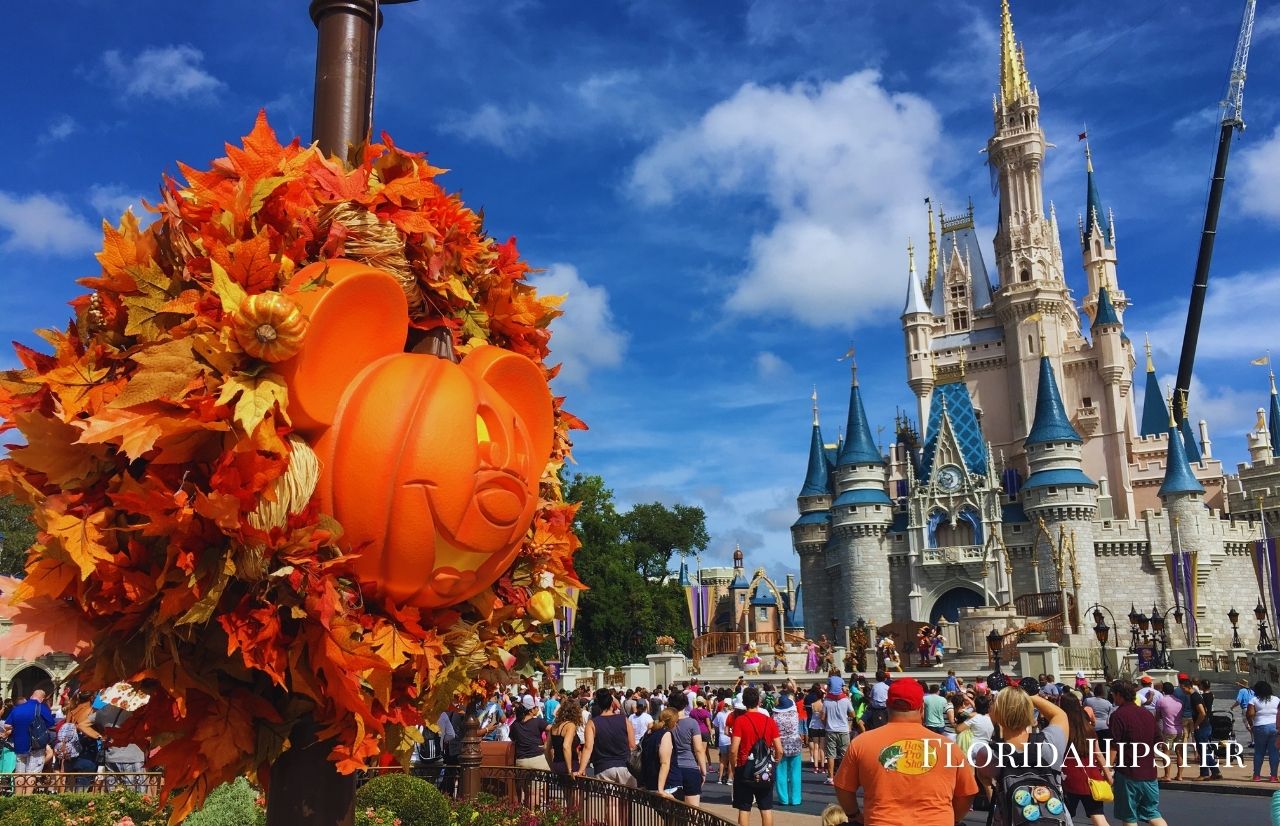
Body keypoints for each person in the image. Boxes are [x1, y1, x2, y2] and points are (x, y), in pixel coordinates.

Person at [835, 677, 976, 826]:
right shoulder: (948, 747)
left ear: (888, 706)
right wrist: (952, 819)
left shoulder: (862, 743)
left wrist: (855, 815)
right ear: (922, 708)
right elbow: (967, 793)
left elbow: (843, 786)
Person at [971, 686, 1069, 826]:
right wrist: (1029, 697)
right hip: (1054, 817)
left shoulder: (988, 754)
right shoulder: (1050, 742)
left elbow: (984, 777)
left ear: (997, 713)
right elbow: (1059, 715)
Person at [1108, 681, 1168, 826]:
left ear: (1119, 695)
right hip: (1149, 772)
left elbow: (1114, 745)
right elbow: (1158, 741)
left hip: (1128, 771)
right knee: (1152, 813)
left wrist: (1108, 767)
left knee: (1129, 816)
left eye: (1113, 695)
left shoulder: (1118, 715)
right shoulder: (1147, 714)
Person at [729, 686, 782, 826]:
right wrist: (776, 761)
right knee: (766, 808)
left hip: (744, 766)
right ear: (759, 701)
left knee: (744, 807)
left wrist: (733, 766)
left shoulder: (740, 721)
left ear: (744, 703)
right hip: (765, 768)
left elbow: (734, 749)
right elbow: (779, 749)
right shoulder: (769, 721)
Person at [1060, 691, 1112, 826]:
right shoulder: (1088, 728)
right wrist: (1108, 774)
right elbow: (1098, 754)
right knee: (1098, 815)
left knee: (1064, 816)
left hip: (1068, 776)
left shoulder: (1062, 728)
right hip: (1091, 776)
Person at [579, 688, 636, 787]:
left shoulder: (592, 723)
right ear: (612, 703)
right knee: (628, 801)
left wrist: (581, 769)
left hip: (603, 767)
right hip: (625, 766)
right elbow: (632, 745)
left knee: (610, 801)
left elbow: (588, 748)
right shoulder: (624, 720)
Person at [2, 689, 55, 794]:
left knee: (19, 773)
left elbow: (7, 725)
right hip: (36, 746)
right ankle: (27, 801)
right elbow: (51, 724)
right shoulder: (41, 708)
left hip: (19, 745)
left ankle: (18, 798)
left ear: (31, 696)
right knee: (31, 773)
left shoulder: (17, 709)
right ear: (42, 698)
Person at [666, 690, 708, 805]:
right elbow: (698, 749)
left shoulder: (666, 723)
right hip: (690, 767)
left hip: (671, 769)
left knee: (672, 811)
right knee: (692, 810)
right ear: (685, 704)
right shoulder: (692, 723)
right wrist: (703, 771)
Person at [772, 683, 803, 806]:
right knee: (795, 773)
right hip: (795, 744)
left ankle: (783, 799)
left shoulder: (775, 717)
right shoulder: (795, 714)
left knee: (781, 773)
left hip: (781, 746)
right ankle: (796, 799)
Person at [821, 675, 854, 785]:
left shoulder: (826, 701)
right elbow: (852, 714)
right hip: (844, 730)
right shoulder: (845, 699)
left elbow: (822, 717)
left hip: (830, 730)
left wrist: (826, 725)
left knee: (831, 755)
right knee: (845, 755)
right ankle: (846, 777)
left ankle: (831, 778)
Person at [638, 708, 679, 794]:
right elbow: (664, 763)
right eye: (676, 721)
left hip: (650, 782)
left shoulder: (649, 733)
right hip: (668, 785)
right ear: (673, 722)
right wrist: (660, 789)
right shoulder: (666, 734)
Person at [1247, 680, 1280, 782]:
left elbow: (1250, 714)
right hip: (1274, 727)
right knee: (1274, 752)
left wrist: (1251, 725)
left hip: (1260, 726)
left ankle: (1257, 776)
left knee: (1259, 752)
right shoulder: (1277, 699)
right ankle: (1273, 776)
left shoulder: (1254, 700)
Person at [1191, 678, 1222, 781]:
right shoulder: (1211, 695)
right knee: (1204, 749)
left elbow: (1202, 711)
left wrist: (1196, 724)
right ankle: (1212, 771)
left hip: (1202, 722)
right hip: (1208, 720)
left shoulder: (1201, 697)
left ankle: (1213, 770)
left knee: (1203, 750)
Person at [510, 695, 550, 770]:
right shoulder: (538, 722)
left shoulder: (515, 724)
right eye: (536, 707)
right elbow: (552, 729)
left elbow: (512, 739)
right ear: (531, 710)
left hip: (521, 761)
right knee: (544, 781)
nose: (538, 709)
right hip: (537, 760)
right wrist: (546, 743)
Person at [1154, 682, 1183, 783]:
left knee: (1166, 753)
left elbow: (1157, 717)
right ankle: (1179, 775)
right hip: (1179, 729)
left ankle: (1167, 775)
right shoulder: (1179, 701)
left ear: (1163, 690)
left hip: (1168, 730)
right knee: (1179, 753)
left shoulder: (1161, 701)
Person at [545, 698, 581, 776]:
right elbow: (566, 746)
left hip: (556, 764)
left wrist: (551, 766)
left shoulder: (553, 727)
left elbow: (546, 748)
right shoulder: (570, 725)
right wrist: (570, 770)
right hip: (570, 764)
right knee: (573, 788)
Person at [806, 683, 826, 771]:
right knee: (822, 746)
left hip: (813, 725)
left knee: (816, 747)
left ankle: (816, 766)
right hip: (821, 726)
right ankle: (822, 765)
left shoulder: (813, 704)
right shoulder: (823, 705)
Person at [1231, 679, 1255, 747]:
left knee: (1248, 726)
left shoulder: (1241, 691)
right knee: (1253, 724)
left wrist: (1232, 707)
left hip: (1246, 709)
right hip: (1253, 709)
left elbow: (1238, 701)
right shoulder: (1252, 691)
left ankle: (1254, 741)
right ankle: (1253, 740)